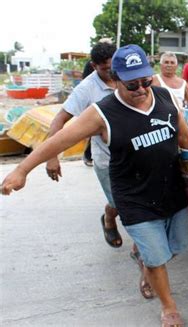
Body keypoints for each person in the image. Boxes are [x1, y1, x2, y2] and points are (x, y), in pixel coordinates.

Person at [2, 44, 188, 326]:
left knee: (175, 247)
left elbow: (185, 137)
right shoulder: (101, 113)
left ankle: (148, 265)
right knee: (157, 258)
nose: (142, 89)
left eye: (146, 80)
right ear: (115, 79)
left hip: (171, 190)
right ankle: (168, 307)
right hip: (134, 197)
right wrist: (22, 170)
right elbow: (60, 139)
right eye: (133, 84)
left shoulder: (164, 96)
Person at [45, 41, 123, 248]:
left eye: (113, 67)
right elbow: (58, 121)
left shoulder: (125, 76)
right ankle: (108, 218)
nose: (111, 73)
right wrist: (52, 157)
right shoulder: (86, 89)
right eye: (105, 69)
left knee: (135, 199)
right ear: (94, 65)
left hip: (132, 153)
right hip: (106, 159)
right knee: (119, 202)